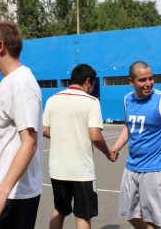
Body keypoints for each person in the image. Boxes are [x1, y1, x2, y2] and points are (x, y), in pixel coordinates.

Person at [0, 20, 43, 229]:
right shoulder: (8, 81)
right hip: (7, 192)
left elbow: (29, 143)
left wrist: (1, 195)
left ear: (0, 45)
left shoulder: (21, 84)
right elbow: (13, 134)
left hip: (15, 195)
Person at [42, 64, 117, 229]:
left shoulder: (53, 99)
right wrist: (108, 153)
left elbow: (45, 130)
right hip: (81, 171)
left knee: (59, 209)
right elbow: (95, 136)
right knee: (83, 215)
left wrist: (65, 136)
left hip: (57, 169)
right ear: (88, 81)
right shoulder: (91, 102)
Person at [111, 61, 161, 229]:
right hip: (131, 168)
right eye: (143, 80)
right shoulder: (127, 100)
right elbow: (129, 127)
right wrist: (116, 147)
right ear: (131, 81)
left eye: (151, 78)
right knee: (129, 214)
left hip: (155, 170)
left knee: (153, 222)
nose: (149, 83)